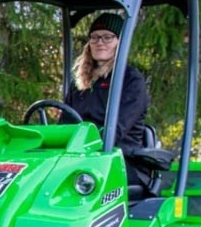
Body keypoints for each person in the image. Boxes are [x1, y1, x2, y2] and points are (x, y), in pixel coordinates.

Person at [64, 12, 150, 152]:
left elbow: (117, 129)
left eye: (108, 37)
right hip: (80, 152)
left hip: (120, 156)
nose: (100, 42)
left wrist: (85, 145)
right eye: (95, 37)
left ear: (120, 42)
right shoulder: (80, 82)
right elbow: (65, 122)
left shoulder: (130, 79)